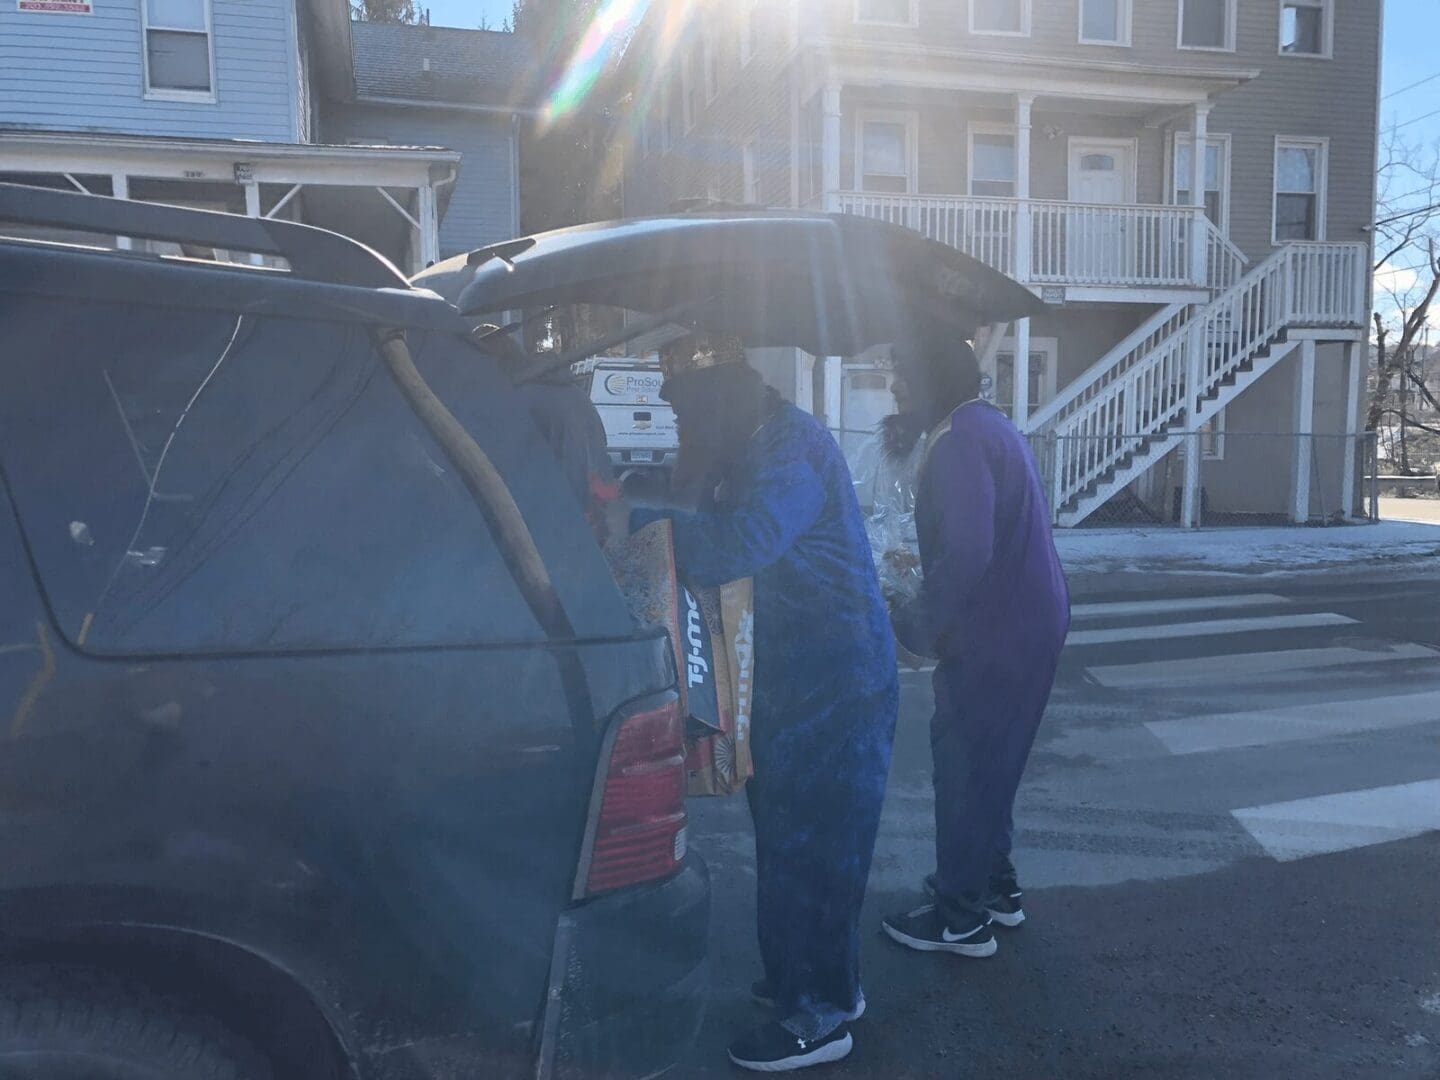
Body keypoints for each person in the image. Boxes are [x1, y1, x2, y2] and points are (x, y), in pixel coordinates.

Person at [629, 333, 898, 1073]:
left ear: (717, 408)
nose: (683, 433)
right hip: (791, 680)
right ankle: (813, 979)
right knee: (790, 844)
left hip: (838, 683)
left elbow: (740, 542)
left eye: (688, 419)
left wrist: (638, 526)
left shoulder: (791, 450)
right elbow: (712, 510)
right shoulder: (753, 444)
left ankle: (819, 1015)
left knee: (815, 851)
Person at [881, 337, 1070, 959]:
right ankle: (996, 888)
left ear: (932, 372)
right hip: (1027, 620)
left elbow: (965, 553)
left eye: (902, 371)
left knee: (964, 764)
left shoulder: (959, 440)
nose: (893, 385)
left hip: (997, 630)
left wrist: (919, 623)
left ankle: (961, 917)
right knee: (992, 762)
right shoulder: (987, 426)